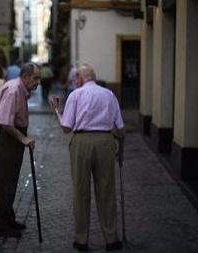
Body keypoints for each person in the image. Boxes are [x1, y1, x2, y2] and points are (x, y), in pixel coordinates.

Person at [51, 64, 124, 252]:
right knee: (106, 191)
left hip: (82, 142)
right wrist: (118, 145)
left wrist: (58, 112)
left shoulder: (76, 95)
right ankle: (111, 239)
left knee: (81, 191)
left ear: (80, 79)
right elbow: (121, 128)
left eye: (76, 79)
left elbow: (67, 128)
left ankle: (81, 240)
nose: (75, 82)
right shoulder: (109, 95)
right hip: (105, 141)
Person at [0, 62, 40, 238]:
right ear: (25, 77)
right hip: (6, 136)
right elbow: (5, 122)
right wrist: (23, 138)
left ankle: (7, 217)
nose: (38, 82)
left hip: (11, 135)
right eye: (35, 78)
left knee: (10, 180)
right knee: (3, 181)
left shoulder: (20, 89)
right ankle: (0, 226)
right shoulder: (14, 91)